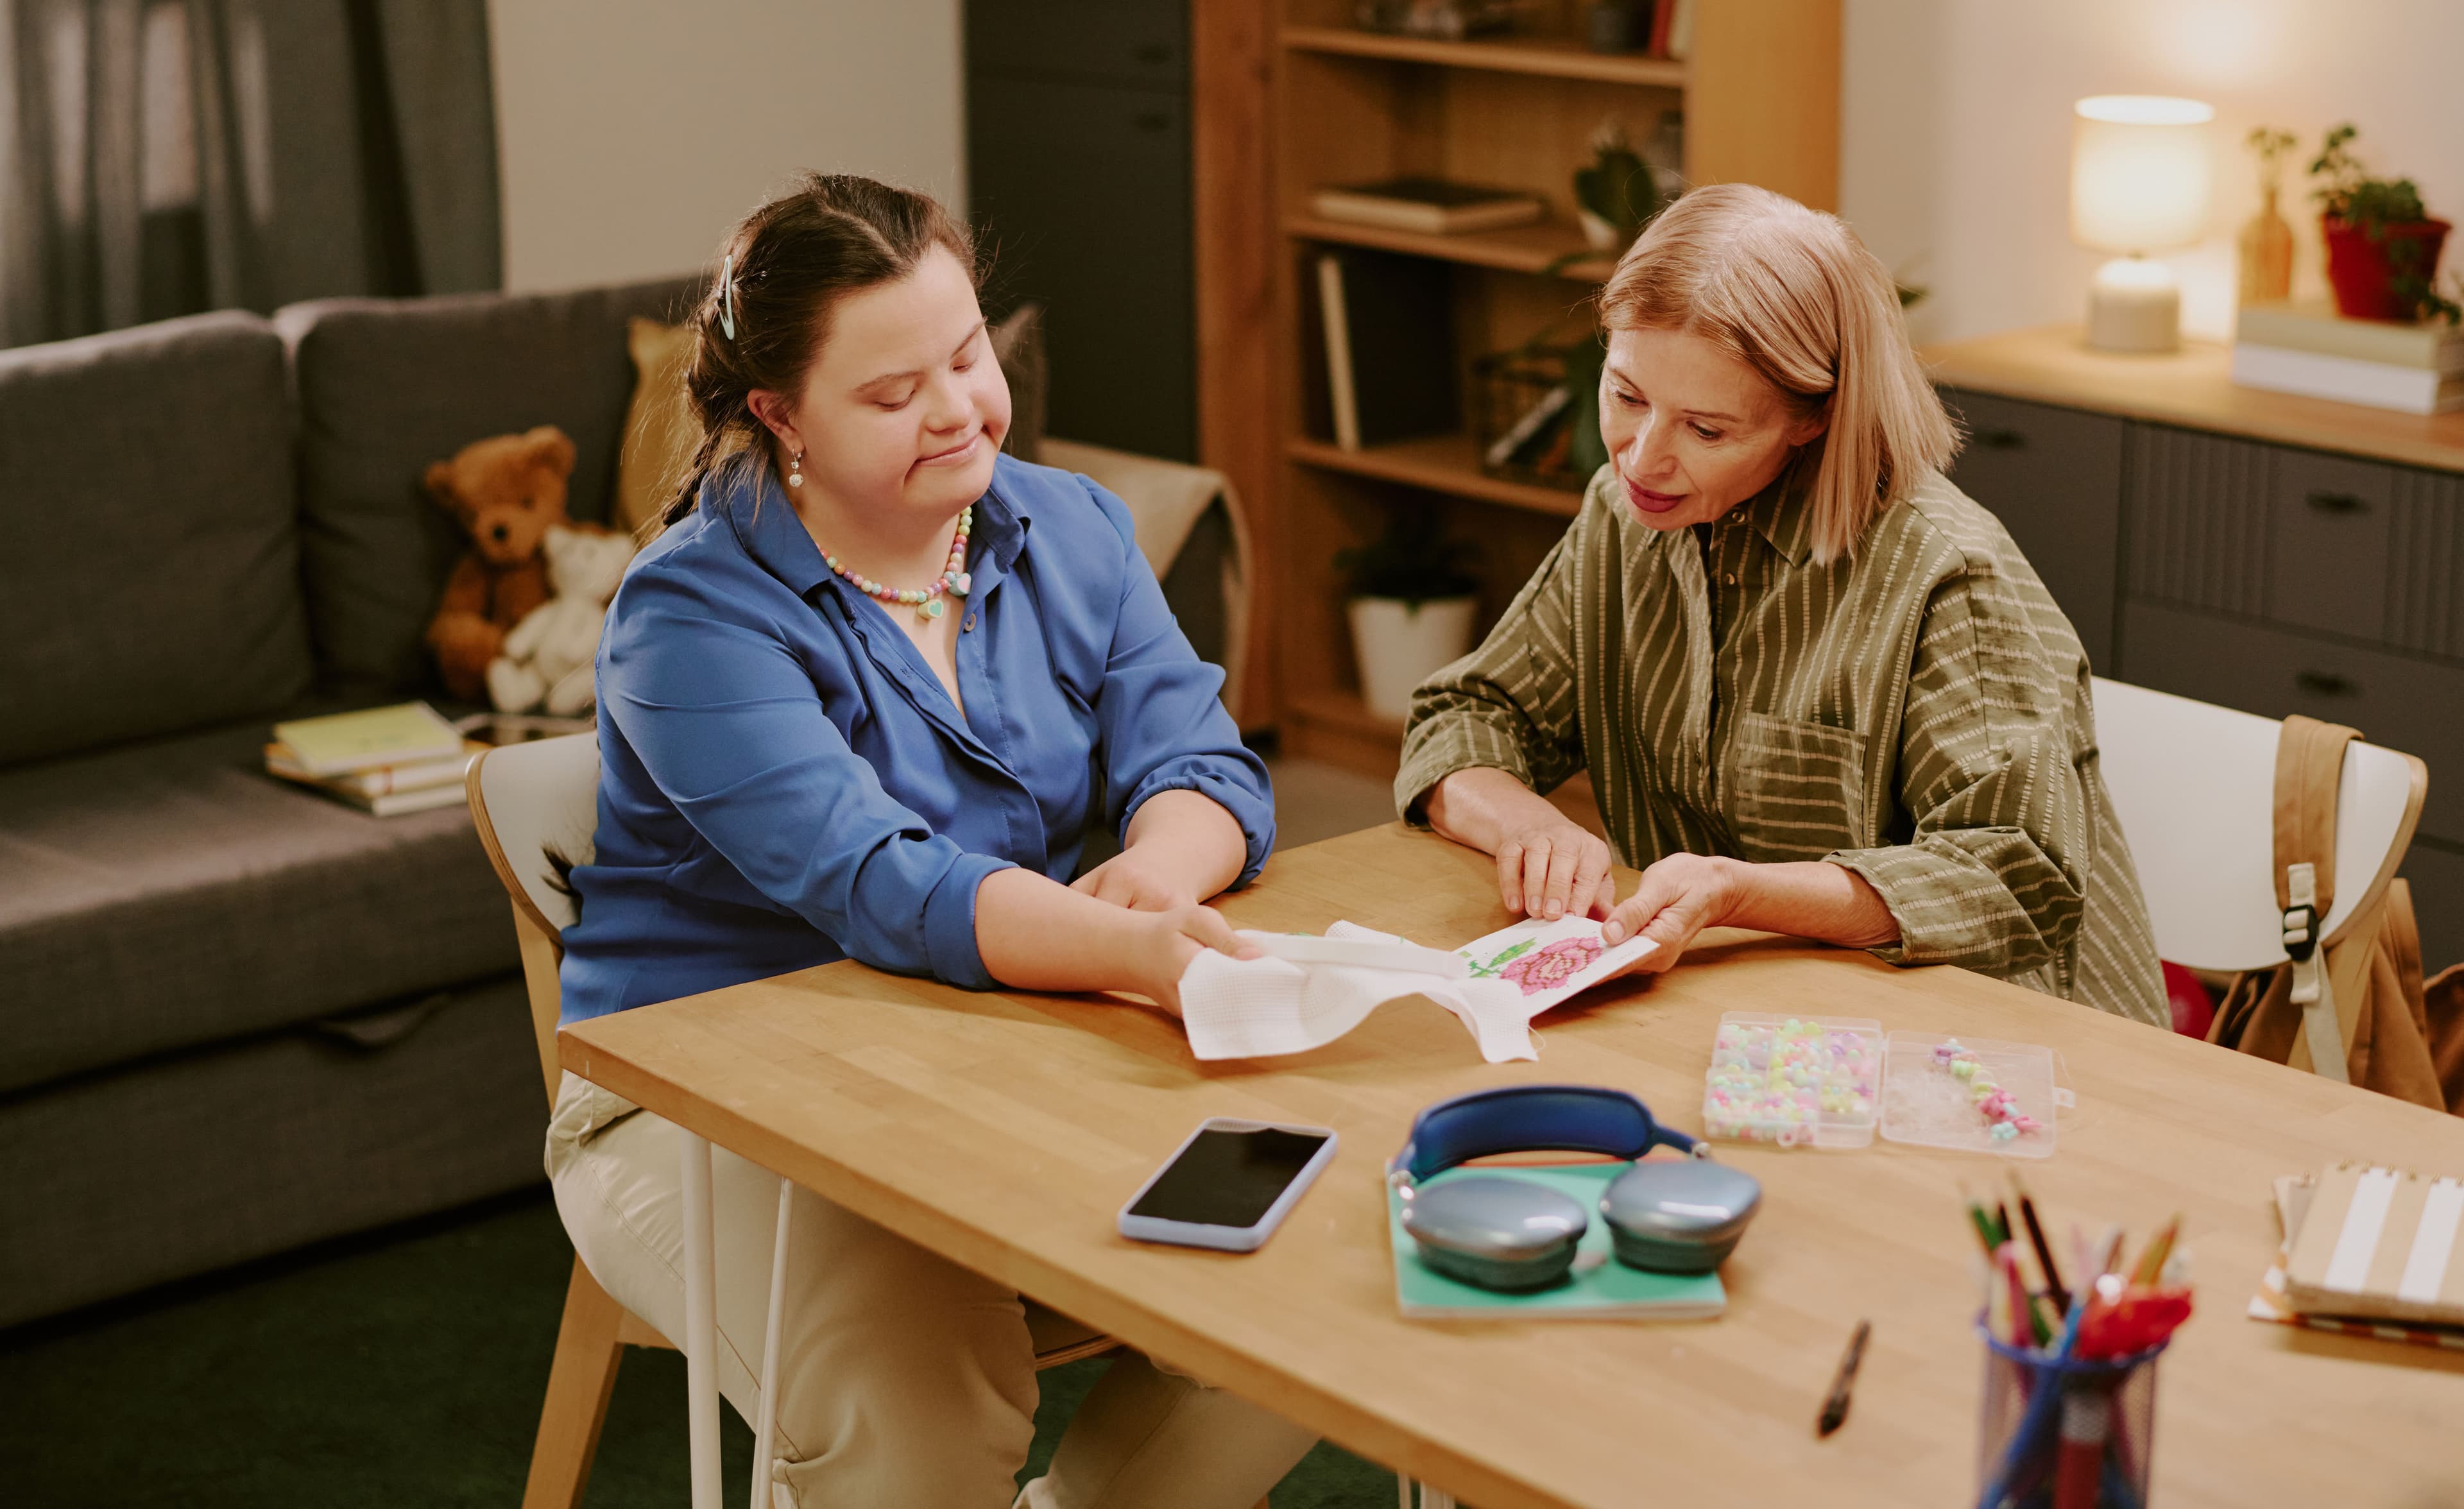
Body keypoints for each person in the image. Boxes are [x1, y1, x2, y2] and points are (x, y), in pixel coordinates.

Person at [547, 174, 1314, 1508]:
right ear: (778, 413)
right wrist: (1125, 945)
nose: (961, 407)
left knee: (1314, 1279)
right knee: (928, 1404)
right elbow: (883, 882)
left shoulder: (1071, 525)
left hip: (1003, 1049)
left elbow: (1200, 759)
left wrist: (1157, 874)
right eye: (895, 393)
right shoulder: (688, 615)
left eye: (968, 355)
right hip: (711, 1095)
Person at [1397, 183, 2168, 1027]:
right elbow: (1466, 715)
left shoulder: (1949, 571)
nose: (1642, 458)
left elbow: (2012, 876)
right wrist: (1524, 825)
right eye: (1626, 396)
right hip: (1756, 1011)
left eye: (1708, 430)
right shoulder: (1624, 517)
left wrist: (1739, 892)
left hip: (2006, 1043)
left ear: (1813, 418)